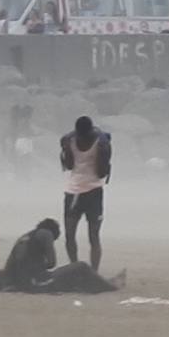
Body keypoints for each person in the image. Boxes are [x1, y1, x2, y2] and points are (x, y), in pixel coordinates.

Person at [60, 116, 112, 272]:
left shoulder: (70, 141)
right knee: (94, 237)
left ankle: (74, 268)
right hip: (94, 191)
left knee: (70, 235)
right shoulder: (102, 143)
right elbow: (102, 172)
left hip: (73, 191)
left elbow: (68, 165)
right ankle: (93, 272)